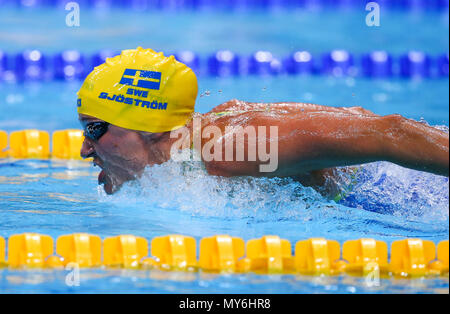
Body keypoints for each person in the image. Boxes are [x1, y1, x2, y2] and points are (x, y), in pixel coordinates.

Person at [77, 47, 449, 195]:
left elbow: (389, 132)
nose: (83, 149)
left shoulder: (233, 148)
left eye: (95, 129)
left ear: (149, 126)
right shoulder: (195, 146)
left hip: (409, 196)